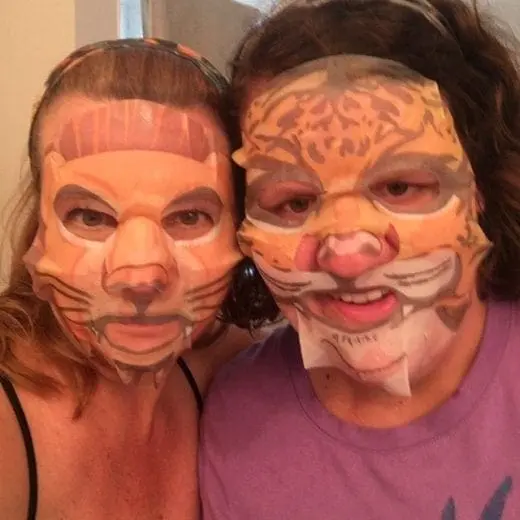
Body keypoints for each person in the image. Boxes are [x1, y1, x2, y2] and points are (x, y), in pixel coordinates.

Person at [199, 0, 520, 518]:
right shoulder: (237, 420)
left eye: (399, 187)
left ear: (477, 186)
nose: (347, 258)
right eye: (294, 203)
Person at [0, 38, 276, 520]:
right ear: (39, 224)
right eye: (90, 216)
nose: (141, 277)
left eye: (189, 216)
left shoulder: (224, 365)